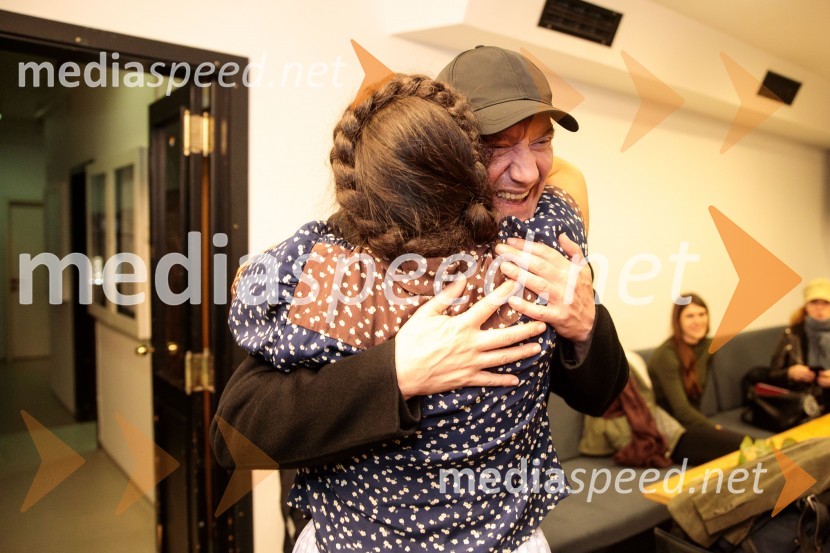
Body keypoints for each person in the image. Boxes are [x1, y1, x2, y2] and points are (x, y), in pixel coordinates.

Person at [211, 46, 628, 547]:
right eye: (497, 146)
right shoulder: (354, 248)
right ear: (440, 151)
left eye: (542, 141)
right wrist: (396, 373)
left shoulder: (545, 234)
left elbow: (600, 396)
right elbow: (236, 436)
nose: (529, 173)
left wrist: (586, 324)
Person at [647, 294, 744, 459]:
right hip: (670, 431)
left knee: (753, 447)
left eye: (702, 314)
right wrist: (714, 428)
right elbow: (681, 410)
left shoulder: (707, 347)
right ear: (678, 321)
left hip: (691, 423)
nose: (698, 321)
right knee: (744, 448)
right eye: (690, 316)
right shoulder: (666, 355)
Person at [747, 278, 830, 413]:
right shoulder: (792, 334)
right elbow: (773, 374)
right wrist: (790, 373)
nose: (819, 308)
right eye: (814, 302)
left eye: (826, 303)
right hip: (802, 401)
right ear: (806, 306)